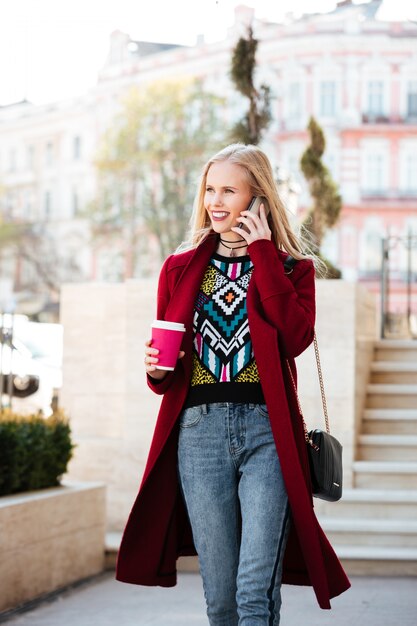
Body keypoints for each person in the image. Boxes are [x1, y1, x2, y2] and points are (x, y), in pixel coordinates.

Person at [116, 143, 351, 625]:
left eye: (229, 190)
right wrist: (156, 370)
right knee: (221, 599)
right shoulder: (179, 269)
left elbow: (294, 337)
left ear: (257, 198)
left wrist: (263, 251)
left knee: (253, 595)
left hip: (269, 433)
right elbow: (166, 366)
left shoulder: (291, 269)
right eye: (209, 189)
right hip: (198, 435)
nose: (215, 201)